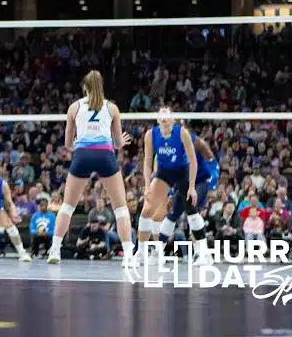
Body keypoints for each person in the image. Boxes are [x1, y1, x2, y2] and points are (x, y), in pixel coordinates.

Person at [47, 70, 135, 266]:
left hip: (82, 155)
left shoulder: (74, 107)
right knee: (120, 208)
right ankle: (128, 255)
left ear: (84, 87)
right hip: (105, 154)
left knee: (67, 206)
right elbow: (119, 144)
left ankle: (54, 250)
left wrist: (80, 144)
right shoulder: (112, 108)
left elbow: (68, 143)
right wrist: (121, 141)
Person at [137, 107, 198, 258]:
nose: (164, 115)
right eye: (161, 113)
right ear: (157, 119)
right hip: (163, 174)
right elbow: (148, 162)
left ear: (172, 119)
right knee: (147, 210)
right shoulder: (151, 135)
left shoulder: (182, 132)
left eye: (167, 113)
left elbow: (193, 160)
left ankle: (201, 252)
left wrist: (191, 186)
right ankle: (141, 252)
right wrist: (146, 185)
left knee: (191, 211)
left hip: (181, 172)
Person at [148, 131, 218, 258]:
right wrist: (169, 193)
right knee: (172, 215)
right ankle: (158, 251)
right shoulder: (168, 149)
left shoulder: (198, 143)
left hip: (200, 181)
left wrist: (213, 186)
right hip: (183, 184)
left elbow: (213, 163)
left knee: (192, 211)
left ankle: (203, 254)